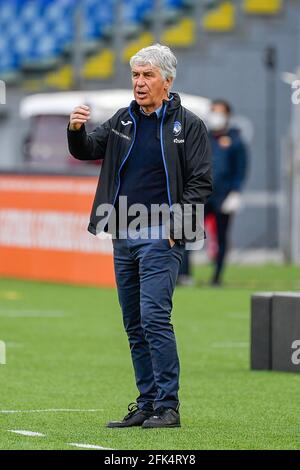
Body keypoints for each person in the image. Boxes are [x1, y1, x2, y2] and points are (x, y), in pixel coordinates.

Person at [67, 44, 212, 428]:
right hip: (123, 235)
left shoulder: (190, 125)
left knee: (153, 318)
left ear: (167, 80)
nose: (140, 82)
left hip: (161, 236)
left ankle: (168, 406)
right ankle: (147, 404)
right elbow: (87, 150)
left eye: (147, 75)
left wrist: (178, 228)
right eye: (135, 75)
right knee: (134, 323)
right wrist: (75, 129)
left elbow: (200, 182)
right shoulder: (122, 120)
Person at [205, 99, 248, 286]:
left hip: (223, 195)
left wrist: (235, 193)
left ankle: (216, 277)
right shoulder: (203, 137)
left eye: (219, 112)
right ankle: (183, 274)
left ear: (228, 116)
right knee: (186, 232)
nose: (215, 115)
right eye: (213, 111)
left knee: (221, 236)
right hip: (201, 195)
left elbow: (240, 169)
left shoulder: (235, 141)